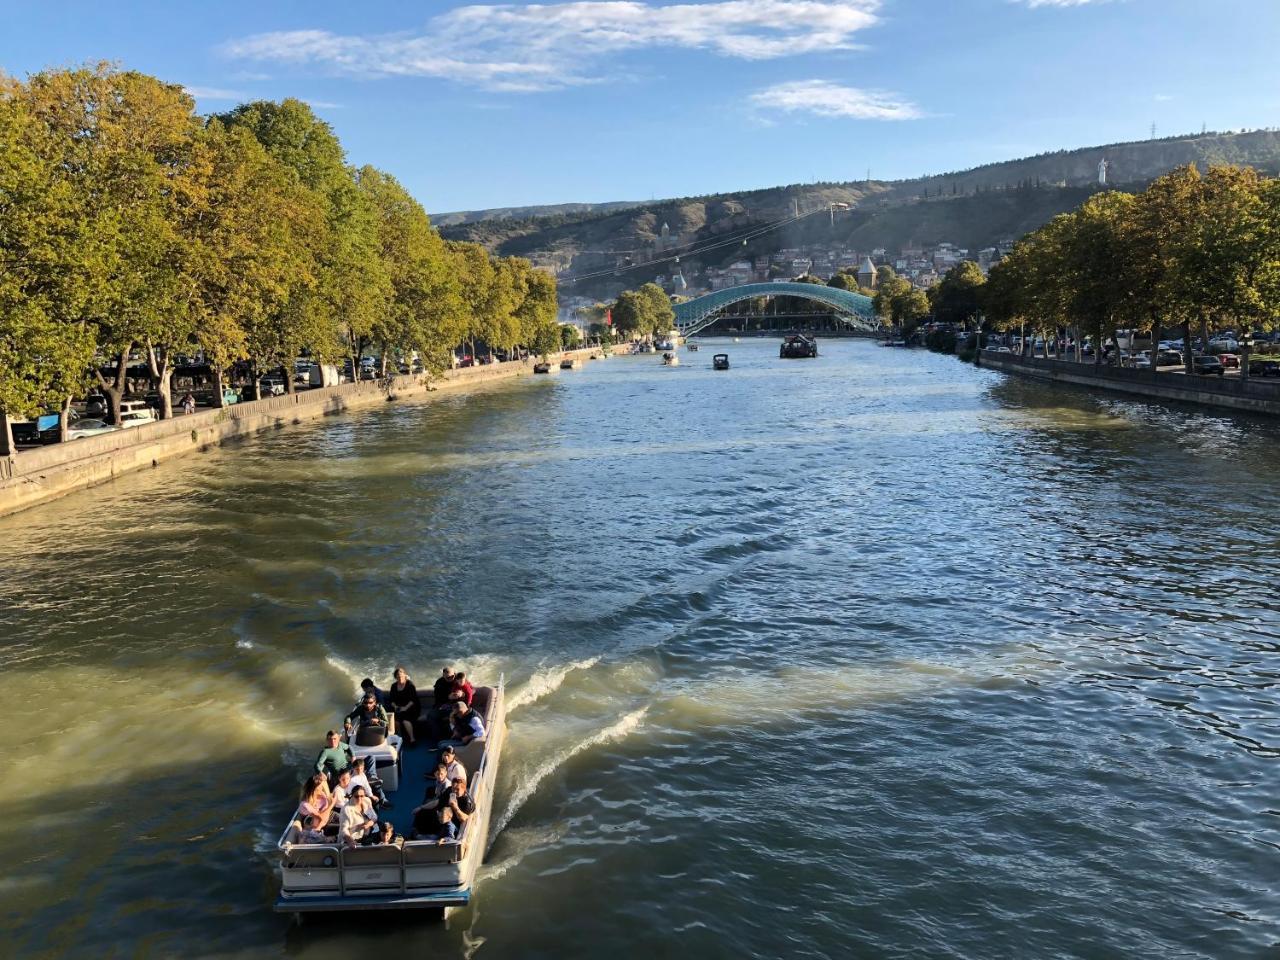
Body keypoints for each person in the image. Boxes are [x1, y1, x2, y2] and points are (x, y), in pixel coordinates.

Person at [388, 666, 422, 747]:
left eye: (401, 676)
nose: (399, 678)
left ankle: (412, 739)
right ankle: (399, 738)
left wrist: (405, 708)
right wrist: (395, 706)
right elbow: (391, 700)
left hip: (412, 707)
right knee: (394, 718)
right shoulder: (393, 686)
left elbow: (413, 700)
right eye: (397, 677)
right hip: (399, 707)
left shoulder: (410, 685)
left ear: (405, 675)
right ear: (395, 677)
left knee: (404, 719)